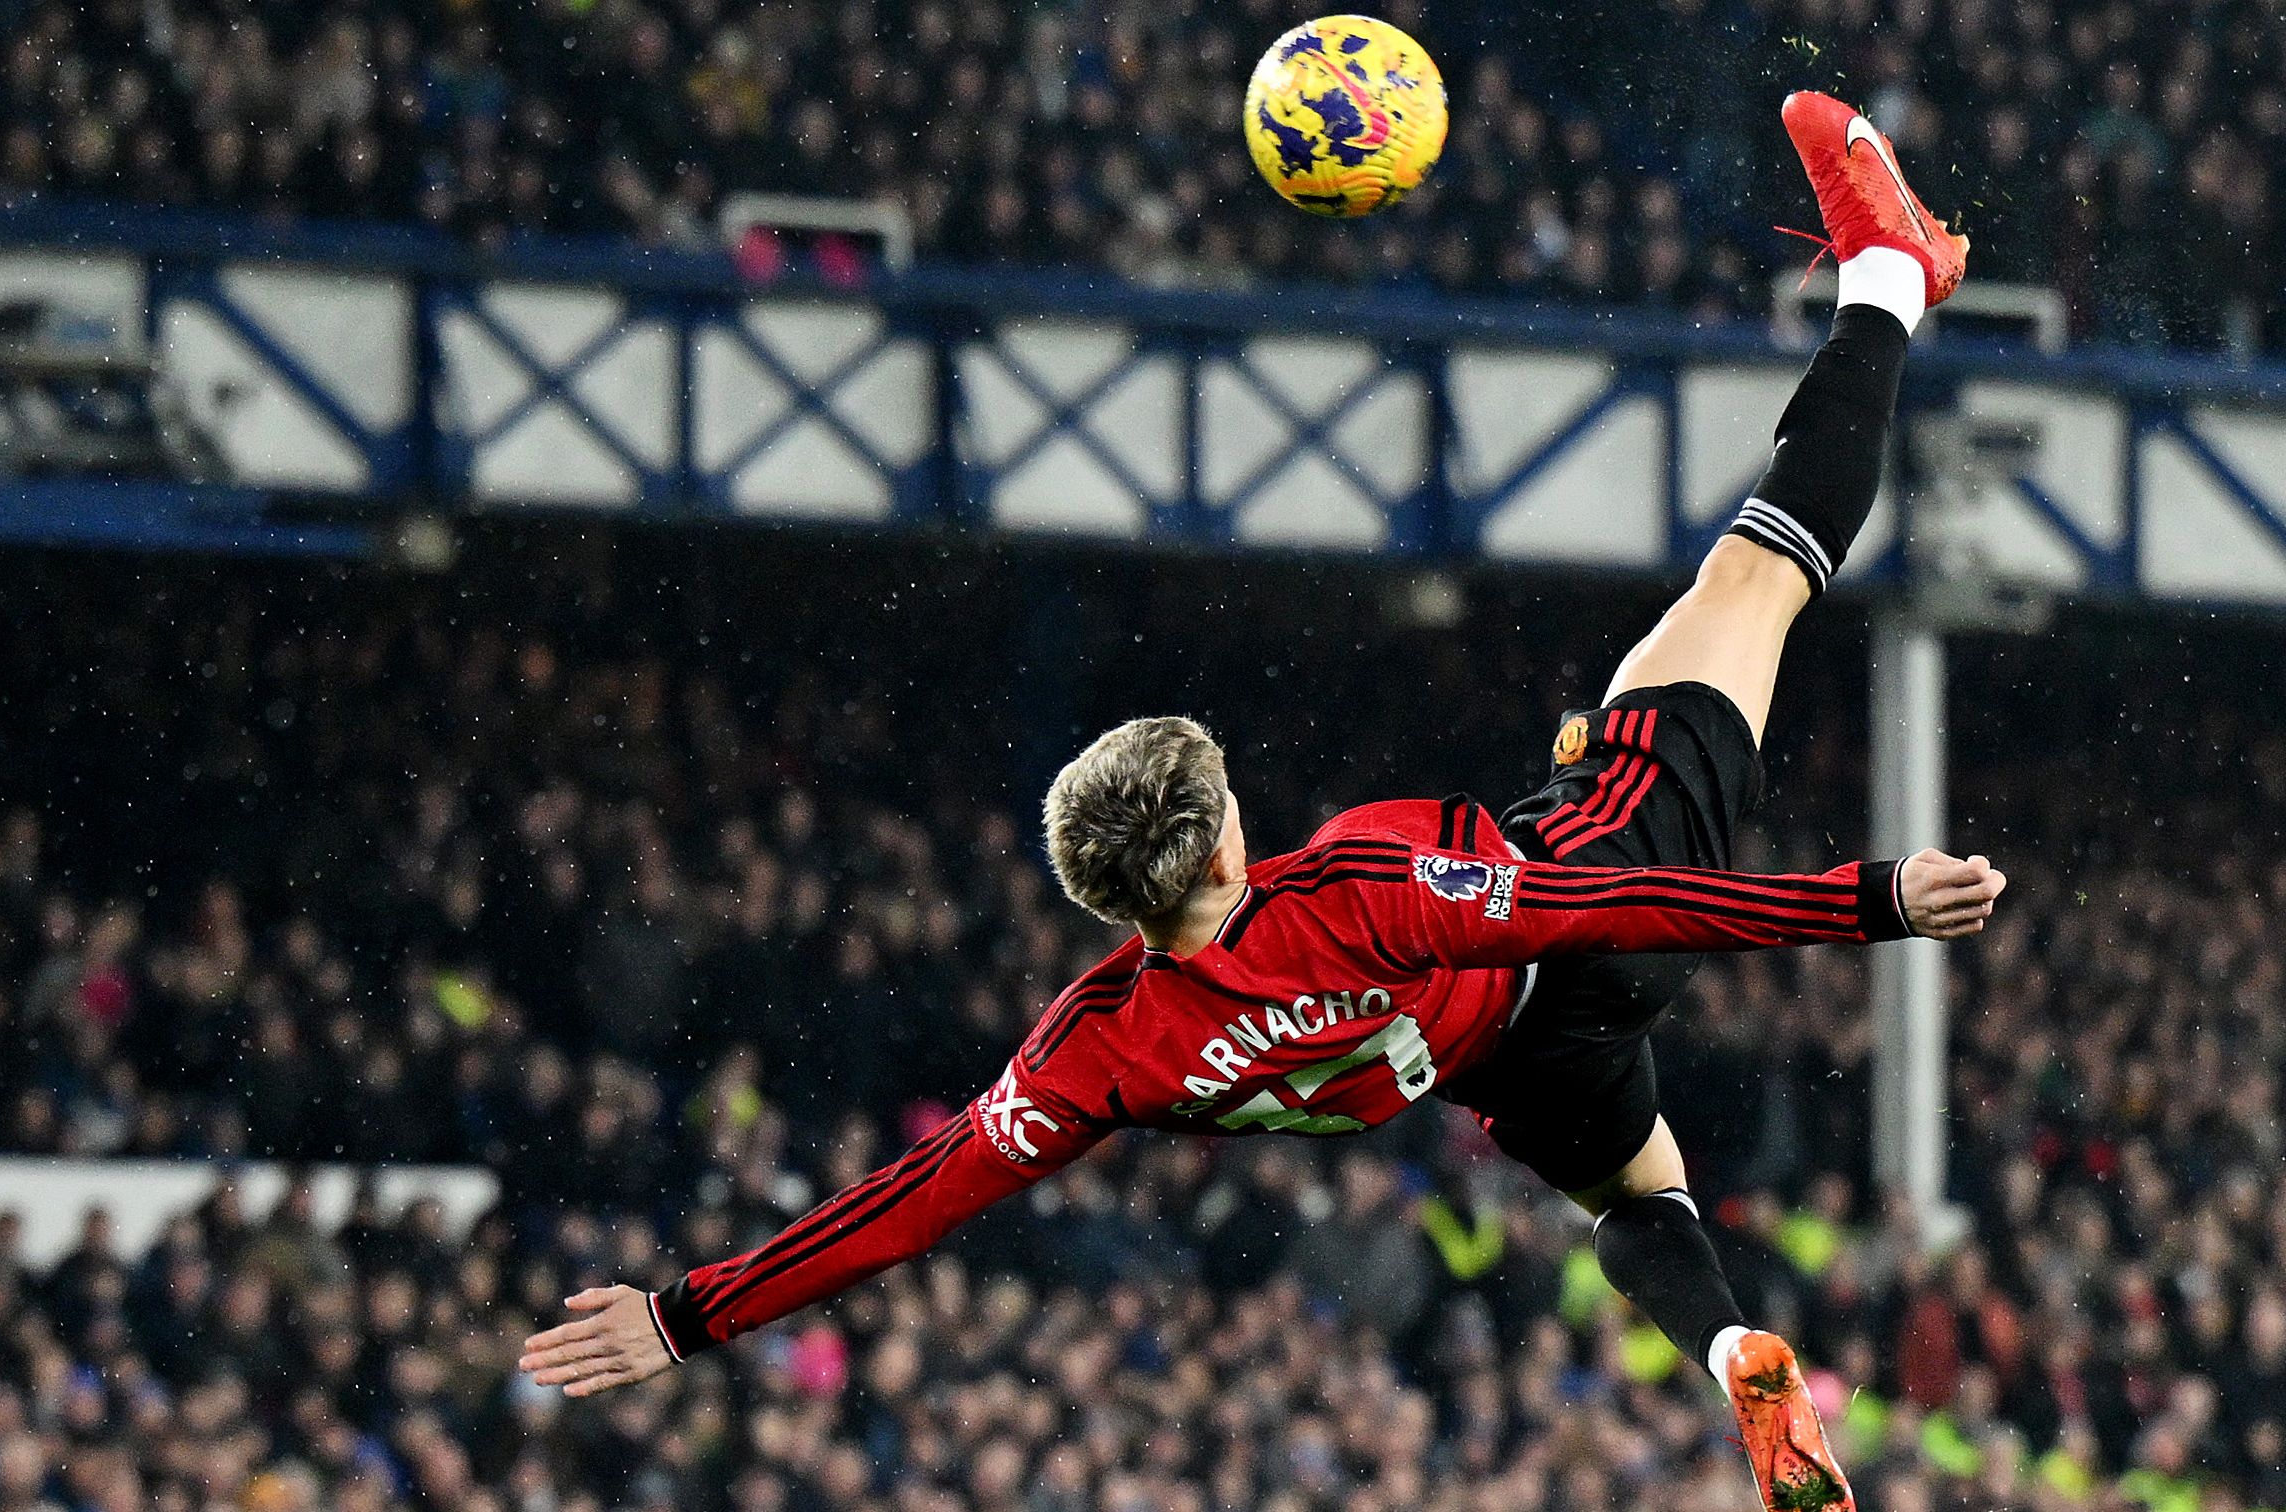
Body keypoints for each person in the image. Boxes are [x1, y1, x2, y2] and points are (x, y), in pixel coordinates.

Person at [522, 91, 1983, 1512]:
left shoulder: (1099, 1048)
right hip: (1579, 908)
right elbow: (1604, 903)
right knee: (1760, 574)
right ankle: (1890, 276)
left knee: (1635, 1196)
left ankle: (1733, 1349)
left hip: (1502, 1072)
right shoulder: (1351, 891)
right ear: (1225, 828)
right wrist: (1869, 902)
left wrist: (691, 1314)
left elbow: (912, 1199)